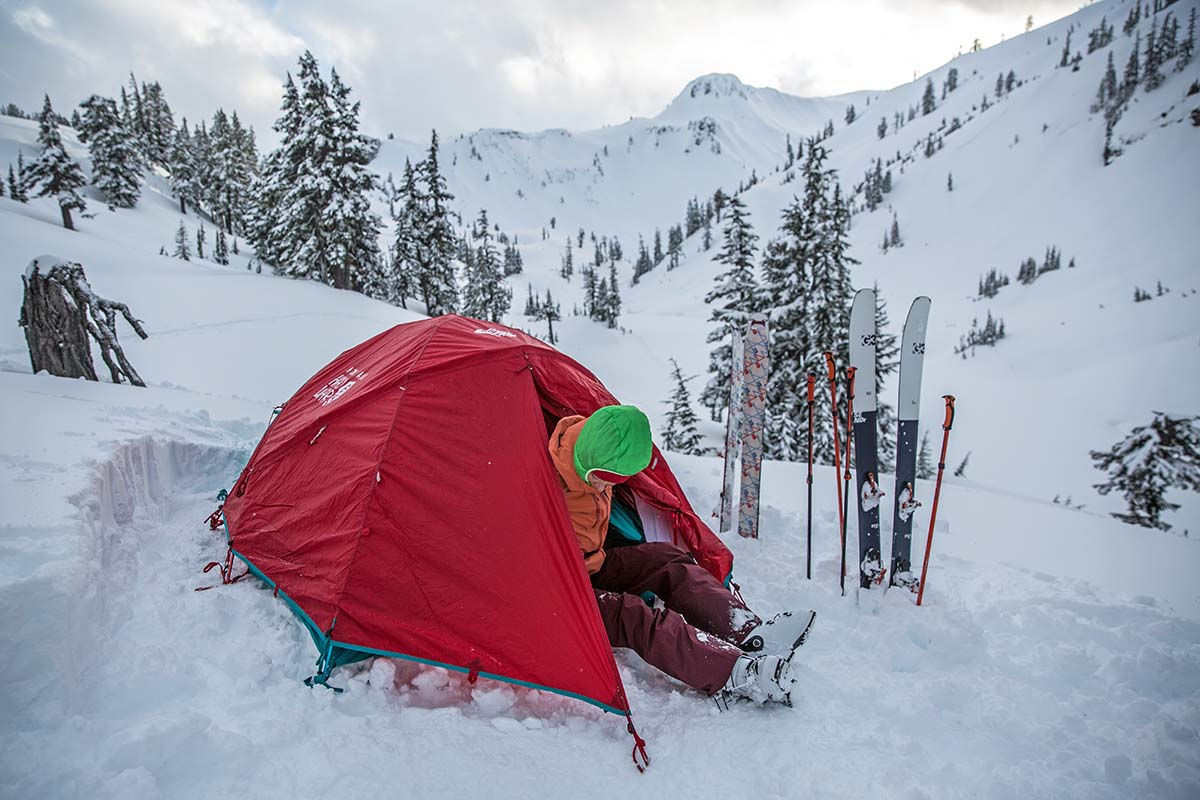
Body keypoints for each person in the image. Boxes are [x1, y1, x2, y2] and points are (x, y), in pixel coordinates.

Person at [547, 404, 814, 706]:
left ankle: (749, 632)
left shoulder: (591, 449)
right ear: (590, 459)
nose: (606, 485)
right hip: (560, 594)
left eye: (616, 479)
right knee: (635, 616)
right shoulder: (545, 481)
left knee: (667, 560)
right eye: (602, 477)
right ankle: (733, 673)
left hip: (593, 564)